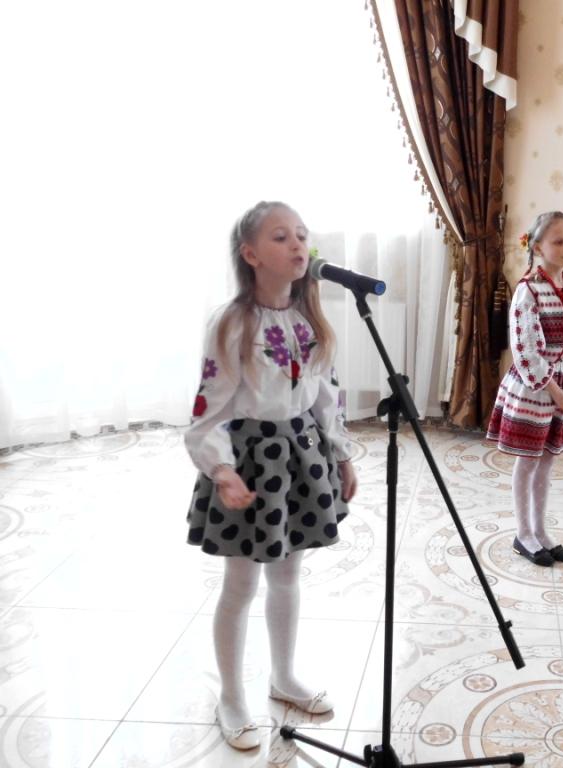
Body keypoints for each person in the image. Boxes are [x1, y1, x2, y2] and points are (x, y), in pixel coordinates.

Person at [184, 201, 358, 750]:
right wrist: (222, 469)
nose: (297, 244)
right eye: (280, 236)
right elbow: (207, 409)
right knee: (241, 583)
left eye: (302, 235)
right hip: (251, 461)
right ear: (251, 254)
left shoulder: (310, 320)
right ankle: (232, 695)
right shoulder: (232, 322)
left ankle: (283, 676)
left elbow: (326, 394)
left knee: (288, 574)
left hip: (300, 455)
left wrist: (341, 454)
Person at [486, 211, 563, 566]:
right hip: (537, 391)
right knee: (529, 461)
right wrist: (556, 392)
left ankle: (541, 530)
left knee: (547, 461)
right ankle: (523, 533)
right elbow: (525, 350)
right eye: (559, 241)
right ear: (537, 247)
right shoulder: (528, 291)